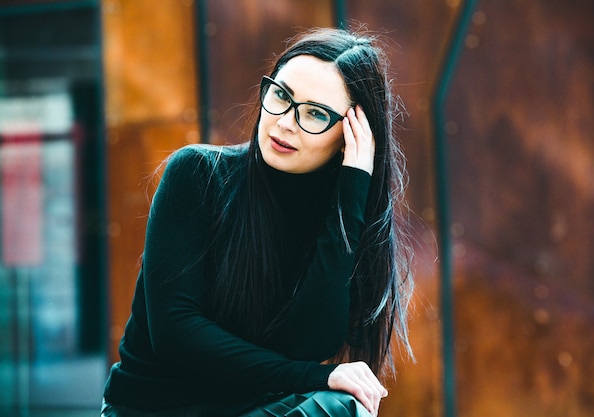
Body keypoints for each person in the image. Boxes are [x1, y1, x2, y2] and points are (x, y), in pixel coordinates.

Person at [101, 27, 414, 417]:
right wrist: (315, 378)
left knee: (345, 408)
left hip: (256, 409)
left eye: (315, 113)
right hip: (153, 410)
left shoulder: (338, 218)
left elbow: (310, 342)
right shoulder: (198, 174)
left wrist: (353, 189)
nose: (284, 122)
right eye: (281, 95)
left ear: (349, 136)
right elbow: (175, 333)